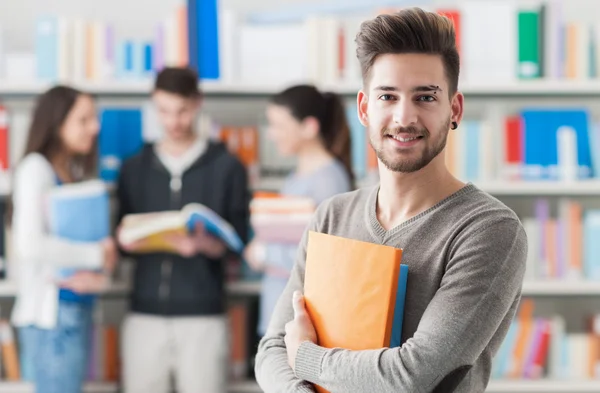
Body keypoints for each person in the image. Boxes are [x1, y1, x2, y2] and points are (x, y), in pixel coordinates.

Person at [254, 7, 527, 393]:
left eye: (425, 97)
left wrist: (307, 358)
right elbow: (272, 349)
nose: (404, 117)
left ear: (455, 109)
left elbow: (412, 376)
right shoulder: (332, 215)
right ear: (365, 109)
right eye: (388, 96)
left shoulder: (488, 229)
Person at [115, 66, 251, 393]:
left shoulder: (228, 166)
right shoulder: (134, 167)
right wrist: (125, 240)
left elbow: (239, 240)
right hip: (143, 316)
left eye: (182, 111)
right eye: (163, 111)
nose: (173, 122)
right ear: (153, 106)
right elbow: (119, 235)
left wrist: (204, 245)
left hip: (203, 316)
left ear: (198, 103)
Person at [9, 85, 118, 393]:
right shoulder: (35, 169)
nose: (95, 128)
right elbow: (28, 243)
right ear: (57, 124)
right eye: (84, 120)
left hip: (73, 310)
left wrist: (102, 269)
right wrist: (96, 255)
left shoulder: (70, 170)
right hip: (51, 319)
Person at [244, 85, 354, 337]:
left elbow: (327, 257)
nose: (271, 135)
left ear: (309, 127)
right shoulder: (294, 178)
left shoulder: (329, 180)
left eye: (279, 126)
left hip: (302, 325)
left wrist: (264, 253)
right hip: (278, 315)